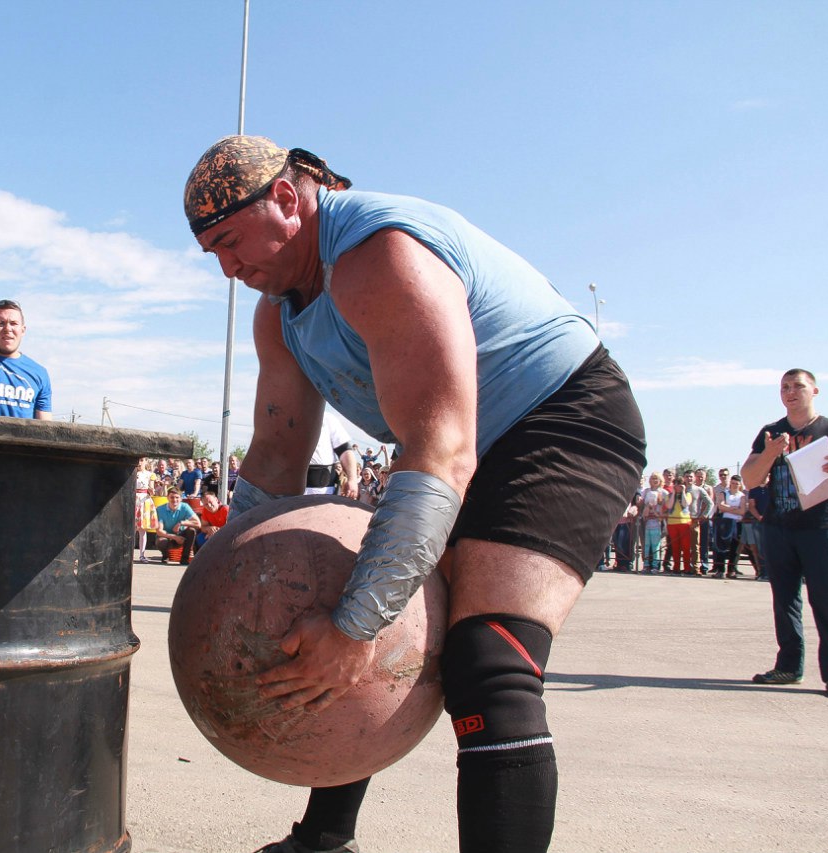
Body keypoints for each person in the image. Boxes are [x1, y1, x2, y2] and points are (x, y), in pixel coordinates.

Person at [184, 136, 645, 853]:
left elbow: (440, 454)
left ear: (285, 199)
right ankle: (326, 837)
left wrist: (358, 625)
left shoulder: (378, 255)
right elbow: (276, 457)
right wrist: (213, 582)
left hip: (563, 420)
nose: (228, 267)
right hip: (460, 446)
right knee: (332, 607)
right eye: (211, 252)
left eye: (231, 242)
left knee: (487, 662)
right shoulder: (279, 314)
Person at [741, 369, 828, 700]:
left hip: (820, 529)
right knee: (785, 602)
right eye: (785, 387)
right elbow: (750, 478)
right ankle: (789, 667)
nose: (790, 391)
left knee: (827, 602)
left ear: (815, 391)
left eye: (798, 386)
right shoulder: (770, 432)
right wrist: (769, 454)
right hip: (779, 528)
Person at [306, 411, 359, 498]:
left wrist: (352, 479)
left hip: (321, 492)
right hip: (284, 492)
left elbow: (345, 450)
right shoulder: (279, 413)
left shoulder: (328, 419)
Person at [155, 488, 200, 565]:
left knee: (191, 531)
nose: (174, 500)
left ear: (181, 498)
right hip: (167, 536)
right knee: (161, 542)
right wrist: (175, 537)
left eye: (177, 497)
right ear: (167, 497)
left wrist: (182, 523)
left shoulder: (185, 507)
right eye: (172, 497)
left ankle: (185, 558)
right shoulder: (160, 509)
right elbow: (159, 531)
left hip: (181, 535)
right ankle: (165, 555)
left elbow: (198, 524)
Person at [713, 475, 745, 578]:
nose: (735, 485)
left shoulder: (742, 496)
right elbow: (721, 506)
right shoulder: (724, 493)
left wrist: (728, 508)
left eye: (737, 484)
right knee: (721, 547)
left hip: (737, 523)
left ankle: (731, 570)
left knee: (735, 548)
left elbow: (743, 511)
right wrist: (735, 508)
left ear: (740, 485)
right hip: (725, 522)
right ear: (730, 483)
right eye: (733, 483)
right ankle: (720, 570)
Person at [640, 472, 668, 573]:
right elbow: (641, 502)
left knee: (656, 545)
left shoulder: (663, 492)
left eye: (657, 479)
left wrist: (659, 511)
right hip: (647, 521)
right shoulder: (646, 491)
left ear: (660, 481)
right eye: (653, 478)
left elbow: (668, 506)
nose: (655, 481)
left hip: (658, 521)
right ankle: (646, 564)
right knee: (647, 545)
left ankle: (655, 565)